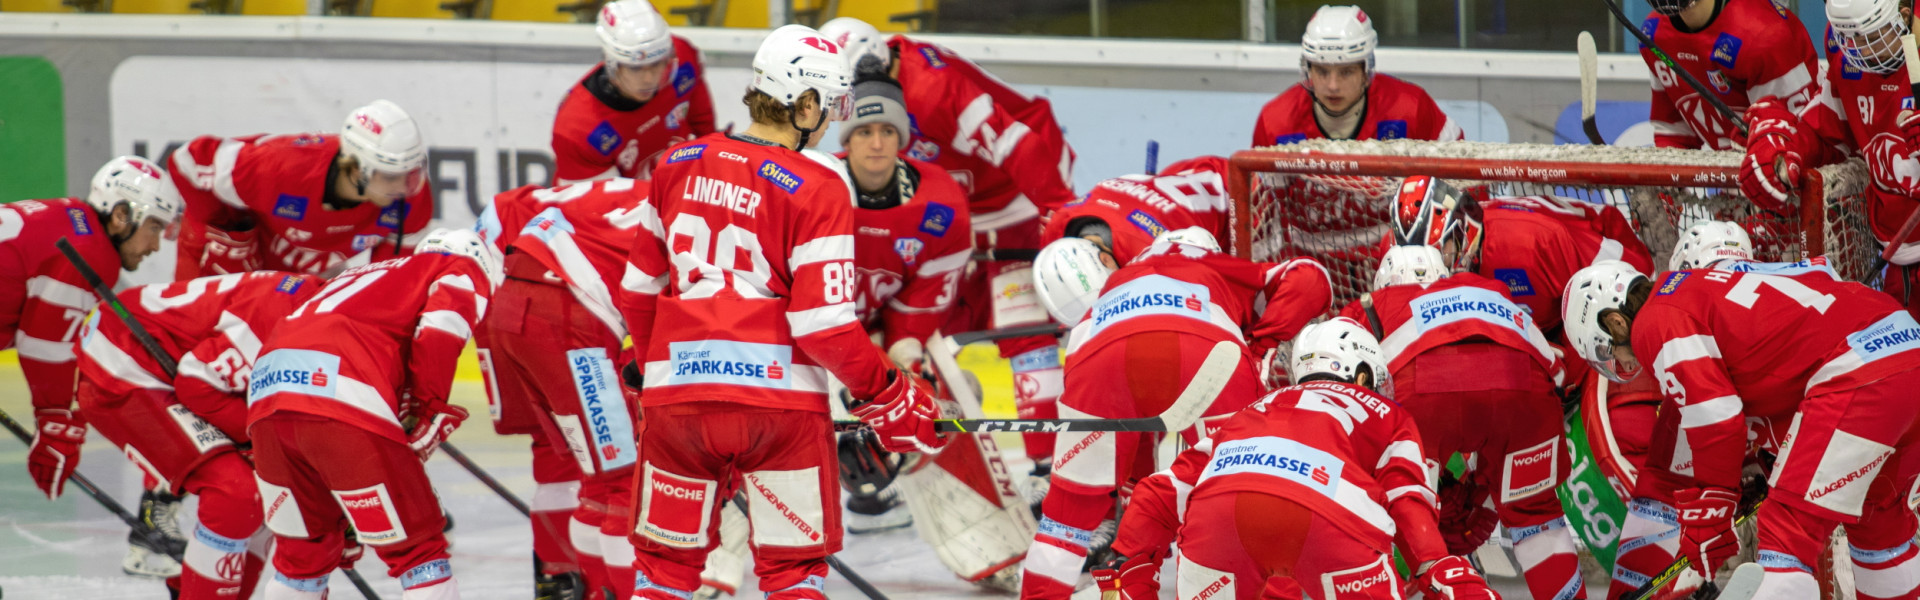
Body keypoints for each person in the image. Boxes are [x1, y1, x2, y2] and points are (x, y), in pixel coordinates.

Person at [616, 25, 944, 600]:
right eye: (832, 106)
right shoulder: (818, 184)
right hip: (779, 408)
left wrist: (653, 377)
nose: (829, 124)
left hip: (679, 402)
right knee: (793, 576)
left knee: (665, 570)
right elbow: (822, 324)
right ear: (806, 103)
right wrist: (887, 392)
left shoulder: (676, 162)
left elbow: (639, 291)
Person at [1563, 260, 1920, 600]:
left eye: (1605, 349)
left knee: (1785, 540)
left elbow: (1716, 416)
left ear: (1616, 321)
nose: (1621, 364)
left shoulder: (1654, 322)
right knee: (1881, 529)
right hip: (1906, 347)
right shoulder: (1701, 285)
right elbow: (1814, 281)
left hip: (1860, 374)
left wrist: (1714, 506)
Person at [818, 17, 1078, 482]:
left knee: (1022, 324)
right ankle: (900, 462)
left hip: (1009, 196)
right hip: (943, 211)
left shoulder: (935, 87)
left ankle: (1051, 468)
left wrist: (1059, 214)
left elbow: (1018, 143)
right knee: (917, 329)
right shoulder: (857, 81)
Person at [1019, 230, 1333, 599]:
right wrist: (1262, 341)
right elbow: (1314, 278)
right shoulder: (1216, 263)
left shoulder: (1118, 278)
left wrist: (1135, 491)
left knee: (1066, 515)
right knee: (1241, 487)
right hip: (1205, 347)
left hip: (1096, 354)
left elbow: (1133, 423)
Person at [1096, 318, 1498, 600]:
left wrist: (1126, 560)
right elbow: (1406, 498)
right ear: (1361, 376)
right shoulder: (1387, 413)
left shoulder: (1251, 412)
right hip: (1328, 517)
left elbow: (1159, 491)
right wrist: (1436, 566)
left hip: (1219, 519)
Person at [247, 228, 500, 599]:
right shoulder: (458, 265)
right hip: (341, 392)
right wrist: (426, 409)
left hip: (267, 398)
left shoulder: (364, 276)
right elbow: (440, 329)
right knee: (419, 550)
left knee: (303, 556)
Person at [1337, 245, 1584, 600]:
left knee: (1399, 504)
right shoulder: (1490, 289)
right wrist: (1481, 491)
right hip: (1523, 389)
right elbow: (1557, 371)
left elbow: (1339, 392)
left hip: (1424, 399)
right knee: (1536, 515)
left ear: (1383, 282)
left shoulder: (1373, 304)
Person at [75, 271, 323, 599]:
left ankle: (194, 589)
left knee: (272, 493)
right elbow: (197, 383)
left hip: (173, 366)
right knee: (237, 491)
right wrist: (255, 439)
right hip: (123, 359)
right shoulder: (286, 315)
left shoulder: (319, 312)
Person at [477, 178, 651, 598]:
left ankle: (575, 584)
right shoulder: (703, 208)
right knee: (627, 483)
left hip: (516, 303)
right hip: (563, 316)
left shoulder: (651, 189)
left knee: (593, 476)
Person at [15, 156, 180, 572]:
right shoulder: (88, 251)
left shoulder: (71, 222)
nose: (157, 244)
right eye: (155, 226)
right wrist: (56, 423)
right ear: (122, 214)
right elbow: (44, 344)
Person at [831, 70, 975, 532]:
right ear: (847, 138)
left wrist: (907, 363)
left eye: (888, 131)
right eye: (865, 131)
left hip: (885, 326)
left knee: (953, 395)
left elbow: (922, 302)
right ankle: (716, 556)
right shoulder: (814, 192)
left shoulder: (941, 205)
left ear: (902, 137)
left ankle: (982, 542)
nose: (876, 143)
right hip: (818, 334)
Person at [1742, 0, 1920, 313]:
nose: (1861, 52)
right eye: (1851, 40)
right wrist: (1782, 144)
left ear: (1903, 17)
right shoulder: (1845, 48)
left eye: (1872, 37)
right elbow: (1826, 132)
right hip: (1902, 258)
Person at [168, 99, 433, 279]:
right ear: (354, 168)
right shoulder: (281, 168)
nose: (404, 187)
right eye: (390, 176)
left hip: (303, 273)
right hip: (228, 259)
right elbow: (187, 160)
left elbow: (388, 282)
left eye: (410, 174)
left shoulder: (411, 198)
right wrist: (227, 228)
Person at [551, 0, 716, 183]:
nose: (648, 79)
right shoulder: (578, 128)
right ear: (612, 63)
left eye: (656, 64)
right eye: (635, 69)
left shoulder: (683, 58)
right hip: (623, 207)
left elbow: (704, 129)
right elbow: (596, 206)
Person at [1250, 5, 1461, 146]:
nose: (1333, 86)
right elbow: (1255, 205)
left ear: (1365, 71)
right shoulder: (1275, 123)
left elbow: (1464, 183)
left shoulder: (1412, 109)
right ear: (1308, 71)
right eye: (1322, 71)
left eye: (1346, 72)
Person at [1639, 0, 1821, 150]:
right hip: (1735, 181)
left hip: (1809, 181)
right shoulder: (1654, 35)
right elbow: (1674, 135)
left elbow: (1795, 145)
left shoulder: (1761, 35)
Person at [1039, 156, 1233, 266]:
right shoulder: (1056, 231)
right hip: (1182, 184)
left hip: (1237, 197)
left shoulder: (1153, 256)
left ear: (1106, 260)